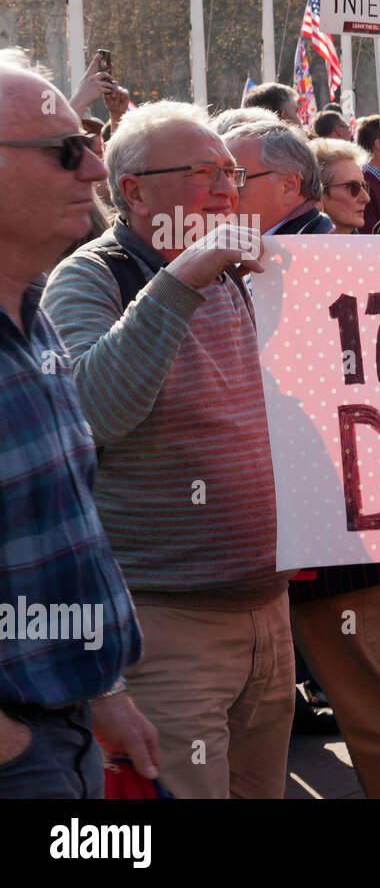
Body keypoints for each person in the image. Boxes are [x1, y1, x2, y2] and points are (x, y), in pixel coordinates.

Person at [41, 100, 296, 799]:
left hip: (268, 612)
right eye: (203, 171)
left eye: (231, 171)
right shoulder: (90, 279)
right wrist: (185, 275)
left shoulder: (241, 277)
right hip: (168, 627)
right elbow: (92, 412)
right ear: (133, 190)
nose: (225, 187)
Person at [0, 48, 158, 799]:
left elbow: (61, 529)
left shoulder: (35, 320)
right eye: (69, 151)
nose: (94, 169)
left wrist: (104, 692)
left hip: (63, 726)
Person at [222, 119, 332, 234]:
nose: (223, 191)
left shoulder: (323, 248)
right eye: (217, 179)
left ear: (289, 186)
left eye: (236, 178)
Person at [311, 138, 370, 234]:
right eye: (353, 187)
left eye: (365, 187)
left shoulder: (367, 247)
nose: (366, 198)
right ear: (319, 195)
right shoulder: (293, 247)